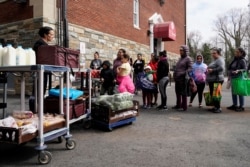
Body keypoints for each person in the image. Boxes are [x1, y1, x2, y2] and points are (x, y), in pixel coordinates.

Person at [30, 26, 54, 112]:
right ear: (45, 35)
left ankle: (38, 110)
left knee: (41, 91)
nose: (52, 36)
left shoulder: (44, 44)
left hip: (44, 71)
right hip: (39, 71)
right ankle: (34, 111)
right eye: (51, 34)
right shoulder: (40, 44)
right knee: (37, 92)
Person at [172, 45, 193, 111]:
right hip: (177, 78)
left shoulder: (188, 59)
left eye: (182, 50)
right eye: (180, 50)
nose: (180, 52)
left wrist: (183, 72)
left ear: (185, 51)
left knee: (183, 93)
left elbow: (190, 68)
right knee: (177, 92)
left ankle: (184, 107)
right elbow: (177, 67)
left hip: (183, 78)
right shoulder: (180, 59)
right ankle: (178, 105)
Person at [227, 47, 247, 111]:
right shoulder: (235, 59)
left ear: (241, 53)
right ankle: (235, 105)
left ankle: (241, 106)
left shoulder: (242, 60)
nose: (236, 53)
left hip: (239, 77)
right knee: (234, 92)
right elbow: (230, 68)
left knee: (240, 92)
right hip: (233, 77)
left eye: (237, 52)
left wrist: (238, 70)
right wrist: (229, 75)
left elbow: (245, 69)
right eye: (235, 52)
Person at [206, 48, 225, 113]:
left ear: (218, 54)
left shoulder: (220, 60)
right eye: (212, 53)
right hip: (212, 79)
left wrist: (212, 70)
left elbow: (221, 68)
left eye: (214, 53)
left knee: (216, 94)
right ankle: (215, 107)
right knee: (213, 94)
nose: (213, 54)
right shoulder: (214, 60)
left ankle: (218, 108)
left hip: (217, 79)